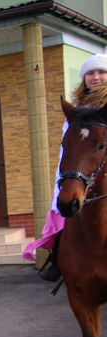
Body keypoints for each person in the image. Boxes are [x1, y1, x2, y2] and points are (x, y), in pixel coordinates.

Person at [23, 53, 107, 281]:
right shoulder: (76, 109)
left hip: (103, 166)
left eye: (101, 72)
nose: (96, 77)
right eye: (91, 73)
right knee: (68, 208)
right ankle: (59, 257)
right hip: (80, 168)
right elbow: (68, 146)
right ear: (84, 79)